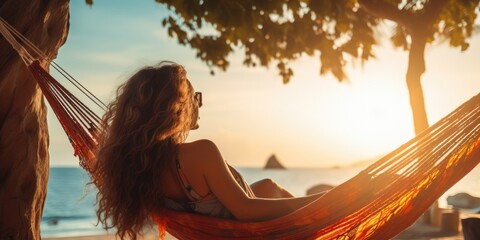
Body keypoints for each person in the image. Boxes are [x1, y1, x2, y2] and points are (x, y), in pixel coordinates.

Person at [93, 61, 325, 239]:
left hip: (225, 229)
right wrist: (325, 200)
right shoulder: (200, 152)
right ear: (176, 107)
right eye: (195, 97)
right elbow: (246, 210)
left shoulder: (138, 166)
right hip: (250, 232)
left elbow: (212, 207)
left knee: (267, 186)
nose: (198, 104)